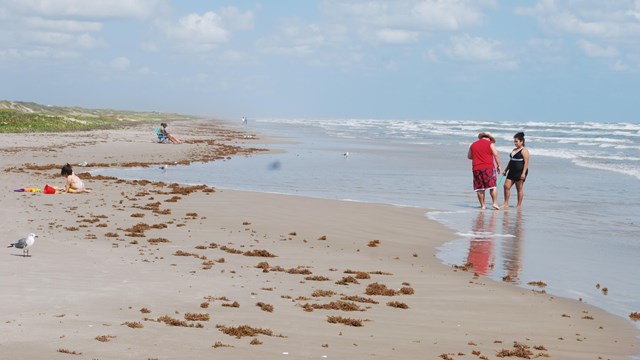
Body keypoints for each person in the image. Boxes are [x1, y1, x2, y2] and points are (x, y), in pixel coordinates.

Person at [468, 132, 501, 210]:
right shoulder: (490, 144)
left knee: (480, 188)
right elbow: (496, 154)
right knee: (492, 186)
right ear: (489, 138)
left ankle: (483, 205)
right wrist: (498, 165)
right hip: (488, 167)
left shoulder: (473, 145)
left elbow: (469, 156)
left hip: (476, 168)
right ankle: (495, 203)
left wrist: (478, 158)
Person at [502, 132, 529, 209]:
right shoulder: (514, 150)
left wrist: (523, 173)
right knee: (506, 186)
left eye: (516, 141)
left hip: (520, 172)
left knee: (519, 189)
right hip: (511, 171)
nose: (515, 143)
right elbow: (511, 161)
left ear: (521, 141)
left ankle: (519, 205)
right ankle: (506, 204)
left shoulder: (524, 151)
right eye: (514, 141)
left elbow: (526, 162)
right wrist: (506, 170)